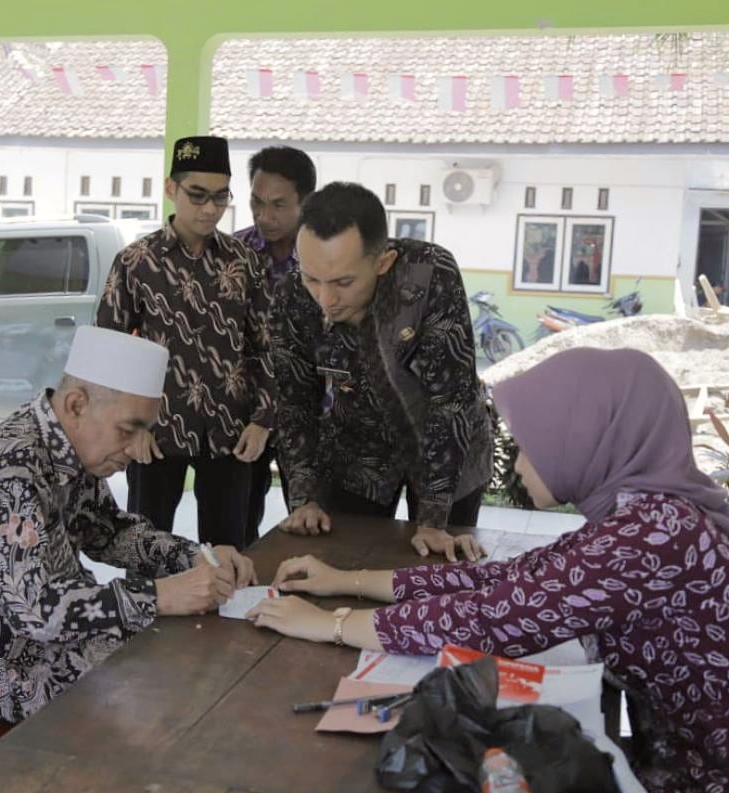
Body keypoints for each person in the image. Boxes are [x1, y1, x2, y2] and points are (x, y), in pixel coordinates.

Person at [247, 348, 729, 793]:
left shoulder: (654, 533)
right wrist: (344, 581)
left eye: (530, 444)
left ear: (589, 437)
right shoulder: (645, 516)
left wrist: (331, 626)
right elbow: (516, 579)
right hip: (718, 756)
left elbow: (493, 618)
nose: (521, 462)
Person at [0, 326, 255, 722]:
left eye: (145, 433)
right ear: (77, 405)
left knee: (195, 655)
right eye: (127, 431)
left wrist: (195, 558)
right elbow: (34, 610)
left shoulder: (67, 446)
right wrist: (159, 596)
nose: (137, 451)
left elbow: (109, 531)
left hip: (53, 641)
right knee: (180, 684)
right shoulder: (11, 465)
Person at [270, 182, 492, 561]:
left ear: (382, 262)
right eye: (312, 279)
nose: (325, 300)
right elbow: (294, 400)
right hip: (358, 454)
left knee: (438, 569)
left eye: (343, 282)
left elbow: (450, 400)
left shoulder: (429, 275)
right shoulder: (292, 294)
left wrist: (434, 517)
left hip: (449, 453)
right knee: (339, 564)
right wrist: (304, 497)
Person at [96, 135, 273, 552]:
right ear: (172, 189)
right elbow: (109, 352)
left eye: (220, 197)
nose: (210, 208)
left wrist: (262, 420)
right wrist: (128, 427)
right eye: (197, 195)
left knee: (230, 550)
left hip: (230, 431)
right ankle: (150, 617)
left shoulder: (243, 261)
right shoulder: (137, 262)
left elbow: (264, 346)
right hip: (155, 434)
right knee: (147, 548)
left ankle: (224, 616)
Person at [234, 145, 316, 544]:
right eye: (256, 201)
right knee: (237, 525)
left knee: (311, 521)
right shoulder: (233, 254)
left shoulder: (328, 258)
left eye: (279, 205)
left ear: (307, 202)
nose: (264, 216)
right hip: (246, 416)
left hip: (311, 414)